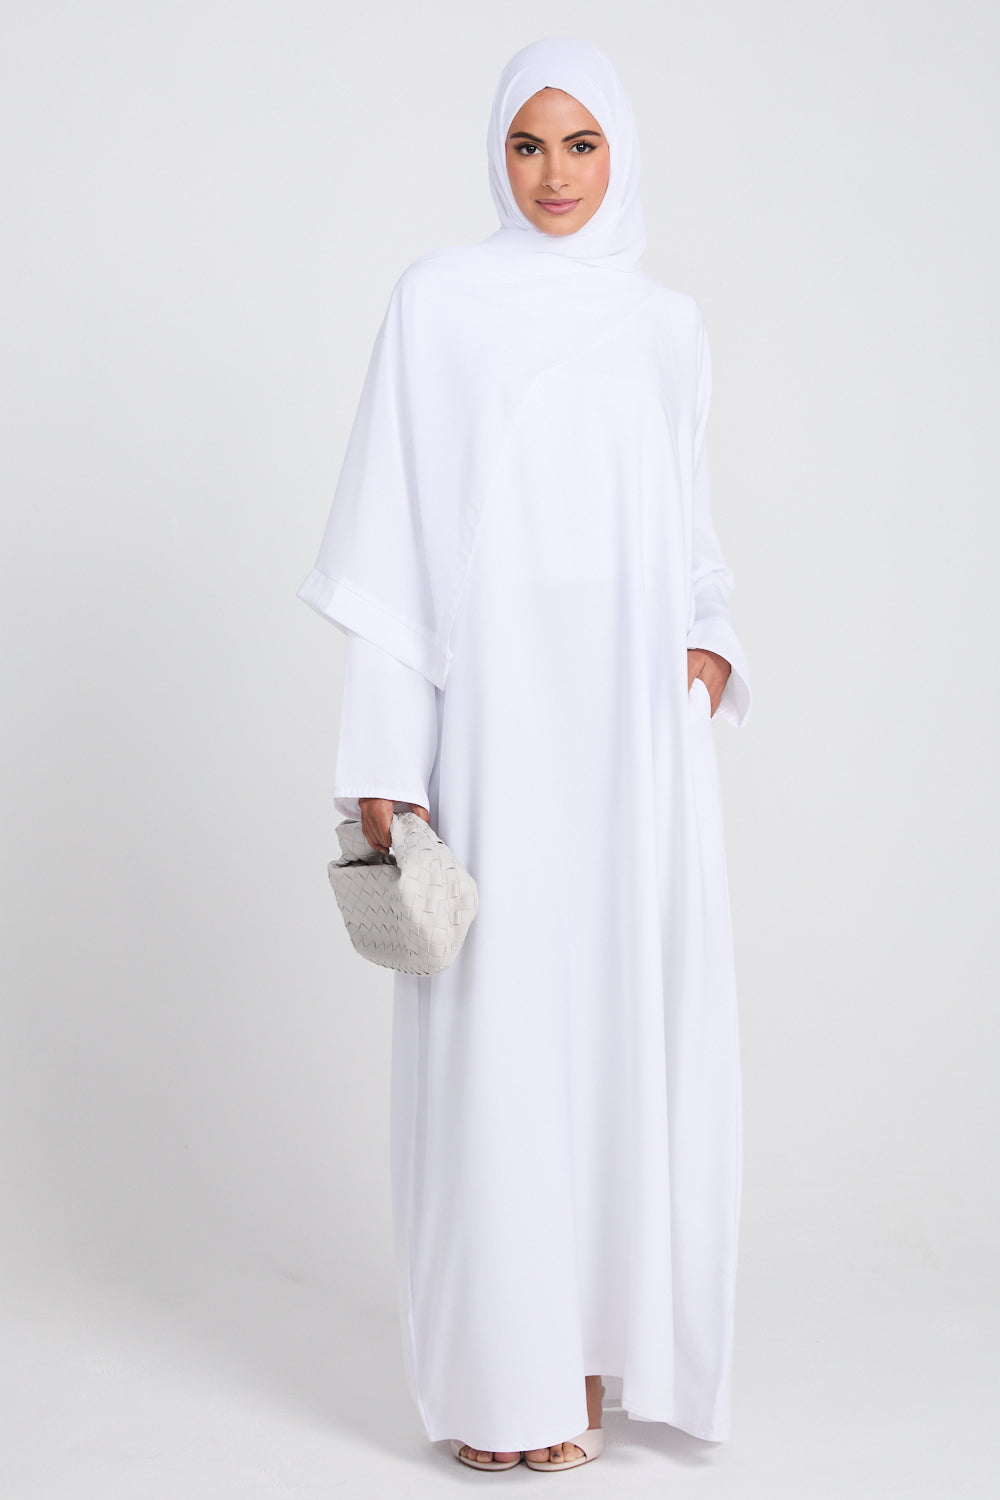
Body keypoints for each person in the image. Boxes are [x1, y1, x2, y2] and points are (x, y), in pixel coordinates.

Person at [297, 35, 753, 1473]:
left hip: (631, 746)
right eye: (526, 144)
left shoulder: (667, 325)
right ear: (496, 156)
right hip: (494, 729)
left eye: (581, 143)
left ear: (621, 152)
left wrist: (711, 647)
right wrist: (388, 760)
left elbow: (690, 535)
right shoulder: (439, 305)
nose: (554, 174)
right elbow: (391, 544)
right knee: (499, 1040)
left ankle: (594, 1355)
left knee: (620, 1028)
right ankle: (505, 1387)